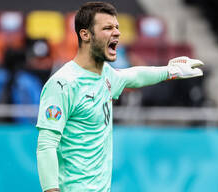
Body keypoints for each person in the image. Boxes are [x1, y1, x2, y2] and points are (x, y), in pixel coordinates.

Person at [36, 2, 204, 192]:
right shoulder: (63, 84)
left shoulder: (107, 75)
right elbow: (46, 146)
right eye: (107, 28)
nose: (116, 33)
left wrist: (170, 71)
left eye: (117, 27)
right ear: (85, 35)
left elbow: (133, 76)